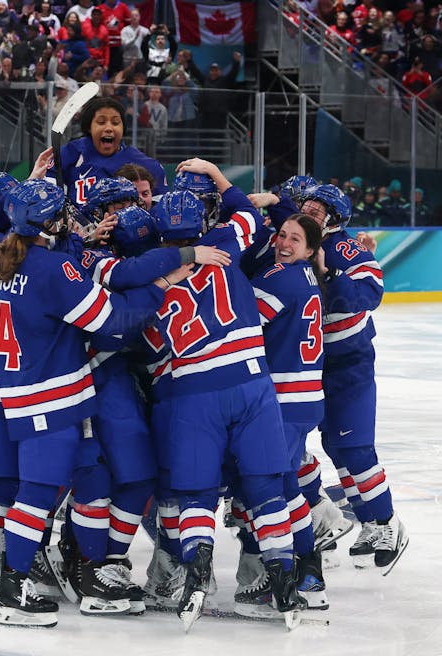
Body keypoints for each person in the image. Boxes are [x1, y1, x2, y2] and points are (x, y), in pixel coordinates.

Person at [0, 179, 171, 626]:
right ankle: (13, 591)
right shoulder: (54, 268)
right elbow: (111, 320)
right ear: (49, 222)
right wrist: (160, 285)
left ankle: (84, 572)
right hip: (51, 398)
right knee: (34, 494)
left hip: (26, 394)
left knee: (85, 480)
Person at [145, 158, 306, 630]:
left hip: (194, 392)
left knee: (196, 493)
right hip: (253, 384)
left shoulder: (148, 273)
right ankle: (282, 577)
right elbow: (249, 217)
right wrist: (219, 177)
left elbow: (124, 327)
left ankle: (196, 574)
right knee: (266, 490)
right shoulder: (222, 245)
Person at [296, 184, 408, 573]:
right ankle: (364, 519)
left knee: (355, 447)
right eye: (305, 205)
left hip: (349, 362)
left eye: (318, 208)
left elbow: (371, 292)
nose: (308, 211)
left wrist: (329, 274)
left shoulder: (346, 249)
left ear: (336, 218)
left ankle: (386, 522)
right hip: (312, 363)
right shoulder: (294, 240)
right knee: (335, 446)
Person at [238, 214, 329, 617]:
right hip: (305, 396)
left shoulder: (279, 276)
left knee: (274, 487)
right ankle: (309, 574)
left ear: (310, 250)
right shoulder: (309, 278)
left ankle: (299, 571)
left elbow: (241, 324)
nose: (284, 243)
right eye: (281, 236)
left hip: (284, 399)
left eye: (295, 239)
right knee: (286, 481)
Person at [59, 96, 166, 208]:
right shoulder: (70, 154)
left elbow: (159, 214)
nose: (109, 128)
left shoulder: (146, 165)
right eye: (101, 122)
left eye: (115, 123)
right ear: (89, 127)